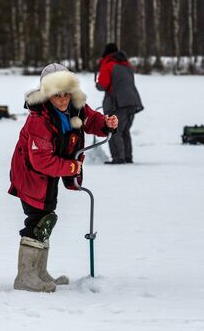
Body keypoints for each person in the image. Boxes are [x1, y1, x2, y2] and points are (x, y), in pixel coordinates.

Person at [8, 63, 118, 293]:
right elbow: (40, 161)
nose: (63, 99)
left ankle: (39, 272)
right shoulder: (39, 119)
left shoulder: (75, 106)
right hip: (30, 174)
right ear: (47, 93)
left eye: (66, 93)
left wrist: (106, 124)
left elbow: (90, 120)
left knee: (47, 217)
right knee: (38, 220)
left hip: (50, 174)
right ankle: (25, 277)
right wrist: (71, 167)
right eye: (57, 94)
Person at [96, 43, 143, 164]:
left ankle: (118, 158)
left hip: (118, 103)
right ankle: (127, 157)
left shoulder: (108, 65)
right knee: (125, 130)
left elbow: (102, 85)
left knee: (114, 130)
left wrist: (97, 83)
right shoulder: (126, 64)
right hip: (132, 102)